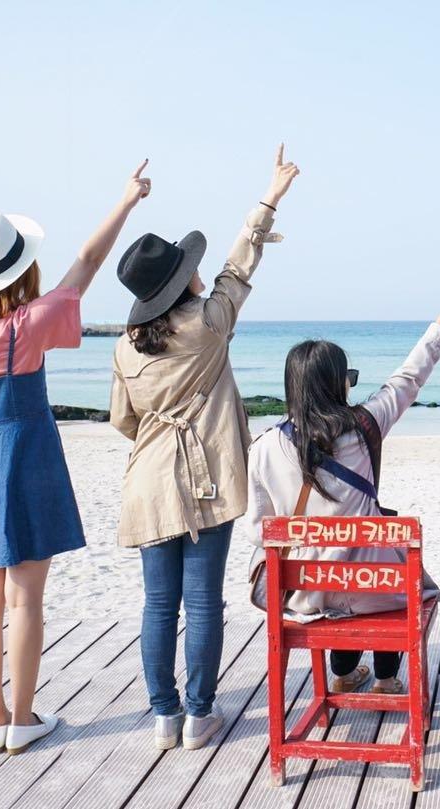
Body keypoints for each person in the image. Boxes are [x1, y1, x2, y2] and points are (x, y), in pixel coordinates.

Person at [0, 160, 152, 756]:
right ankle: (24, 717)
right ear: (16, 269)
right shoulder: (25, 323)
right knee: (26, 598)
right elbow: (86, 264)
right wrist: (127, 202)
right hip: (27, 455)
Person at [110, 146, 298, 751]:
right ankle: (199, 715)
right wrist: (269, 198)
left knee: (158, 603)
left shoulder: (124, 347)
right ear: (180, 282)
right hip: (206, 478)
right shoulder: (209, 325)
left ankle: (163, 717)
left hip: (148, 479)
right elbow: (239, 269)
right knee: (203, 600)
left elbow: (123, 420)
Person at [245, 270, 440, 694]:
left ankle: (345, 674)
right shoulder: (365, 427)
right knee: (403, 580)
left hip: (303, 594)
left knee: (347, 580)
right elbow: (410, 377)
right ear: (338, 383)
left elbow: (260, 529)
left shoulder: (262, 448)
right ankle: (386, 678)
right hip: (376, 591)